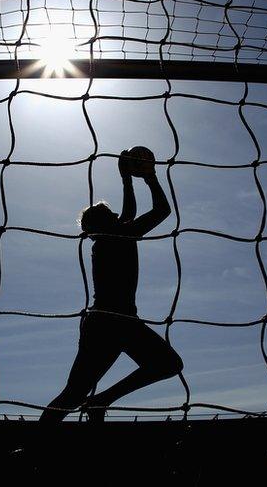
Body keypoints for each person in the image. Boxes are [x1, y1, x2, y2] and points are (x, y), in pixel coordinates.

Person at [39, 147, 183, 423]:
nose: (118, 214)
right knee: (75, 392)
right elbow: (161, 210)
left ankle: (99, 401)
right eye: (110, 212)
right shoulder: (117, 235)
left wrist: (128, 179)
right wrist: (149, 177)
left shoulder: (112, 236)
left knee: (75, 392)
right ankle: (97, 403)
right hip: (113, 322)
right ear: (101, 223)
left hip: (113, 321)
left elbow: (129, 212)